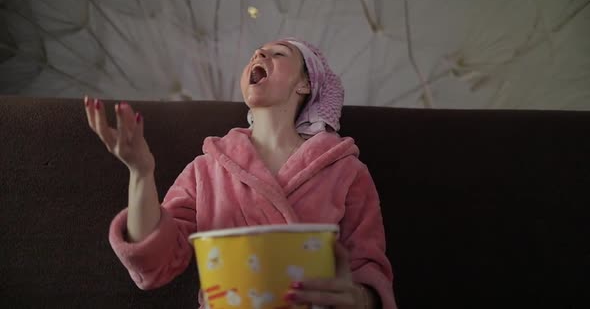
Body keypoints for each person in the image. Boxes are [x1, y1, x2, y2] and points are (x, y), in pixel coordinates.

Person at [84, 38, 398, 308]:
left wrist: (358, 298)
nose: (259, 56)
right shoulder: (207, 168)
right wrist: (141, 173)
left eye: (277, 54)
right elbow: (156, 261)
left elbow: (369, 268)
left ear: (306, 83)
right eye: (255, 54)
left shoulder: (346, 170)